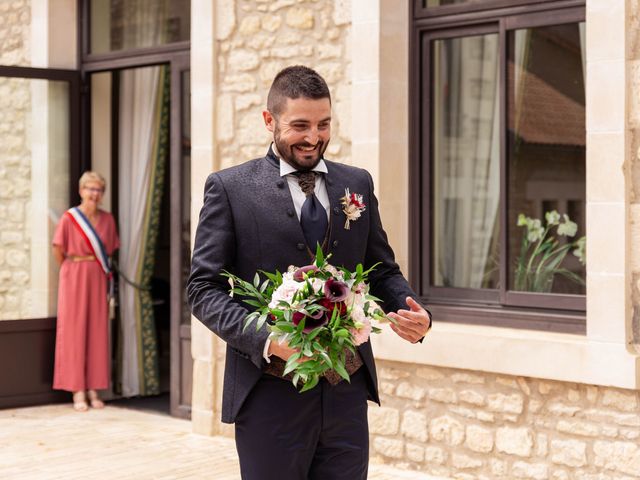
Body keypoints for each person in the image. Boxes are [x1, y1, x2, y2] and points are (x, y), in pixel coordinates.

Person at [187, 65, 431, 479]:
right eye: (300, 125)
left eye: (323, 124)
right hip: (269, 393)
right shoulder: (230, 188)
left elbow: (382, 270)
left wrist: (411, 311)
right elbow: (202, 288)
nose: (314, 137)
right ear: (269, 121)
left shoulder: (356, 183)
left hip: (346, 392)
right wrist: (267, 339)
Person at [52, 171, 120, 412]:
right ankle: (77, 389)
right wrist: (72, 270)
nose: (94, 194)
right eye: (90, 189)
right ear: (81, 191)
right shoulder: (70, 219)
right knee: (73, 331)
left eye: (99, 190)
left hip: (97, 276)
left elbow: (109, 251)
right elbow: (58, 249)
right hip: (74, 274)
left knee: (97, 331)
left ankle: (94, 387)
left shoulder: (108, 219)